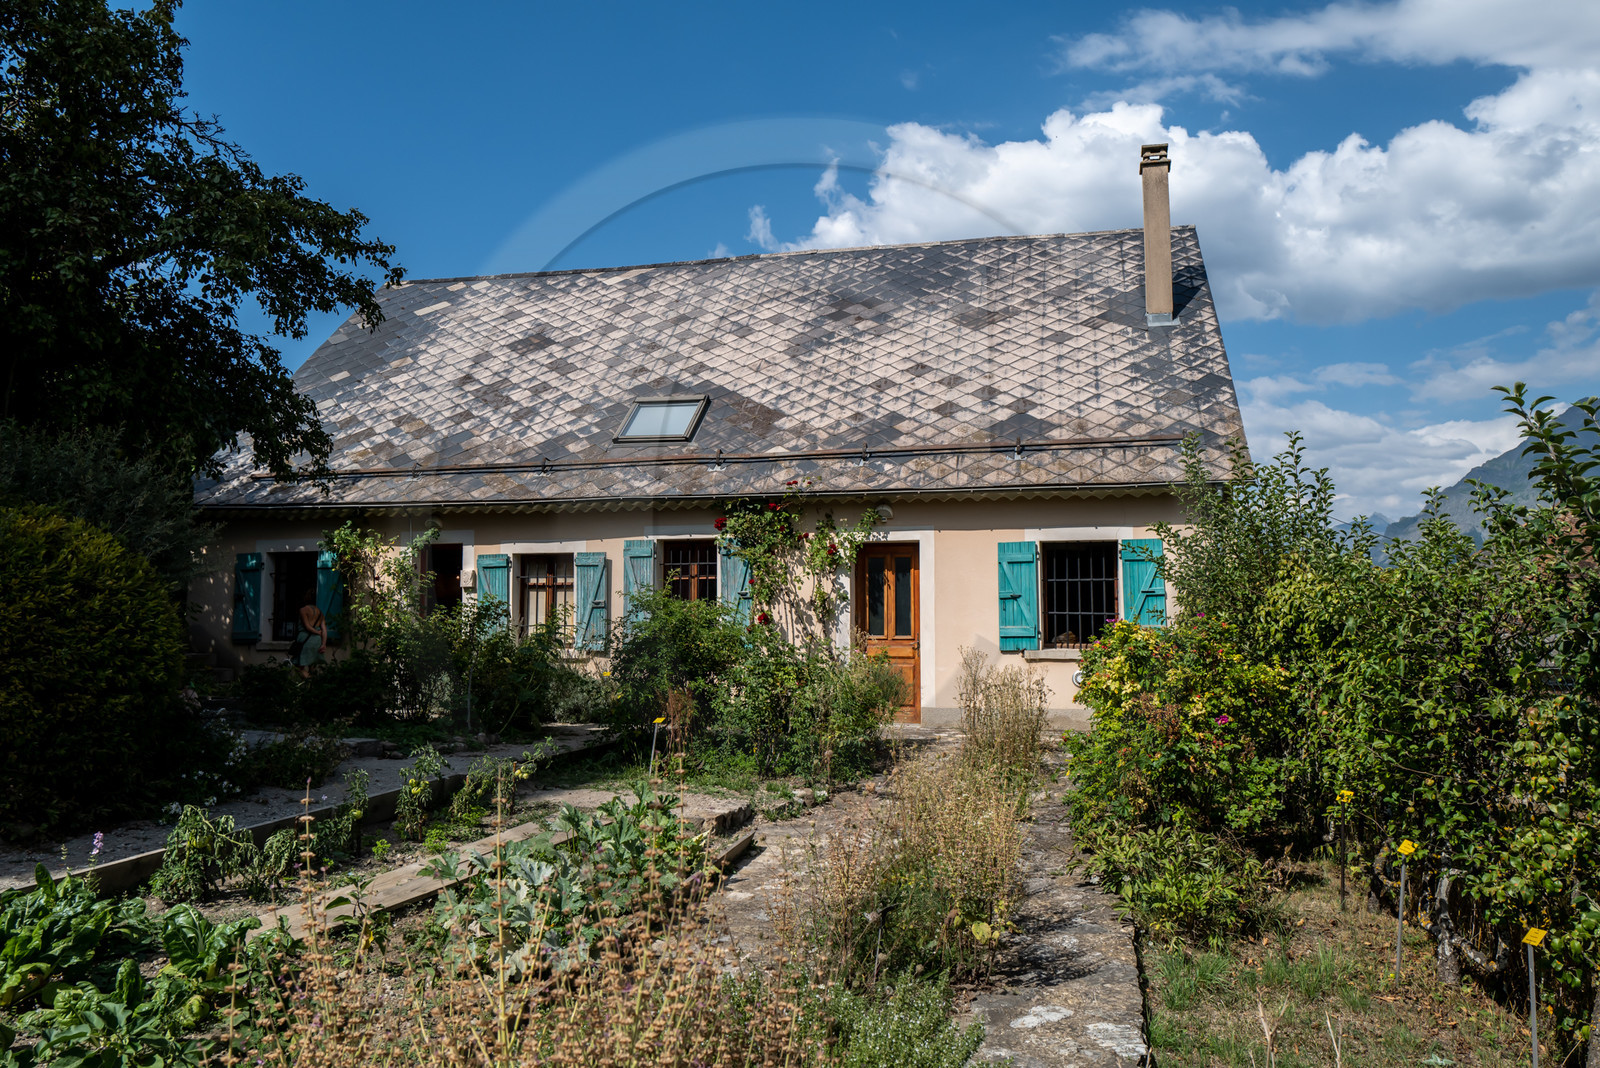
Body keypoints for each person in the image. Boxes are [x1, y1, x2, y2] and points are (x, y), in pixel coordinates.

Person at [296, 588, 327, 678]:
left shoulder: (303, 610)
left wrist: (317, 633)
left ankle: (310, 681)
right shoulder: (320, 613)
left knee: (299, 666)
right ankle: (312, 688)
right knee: (312, 666)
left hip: (305, 639)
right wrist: (323, 644)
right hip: (317, 641)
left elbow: (307, 626)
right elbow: (324, 630)